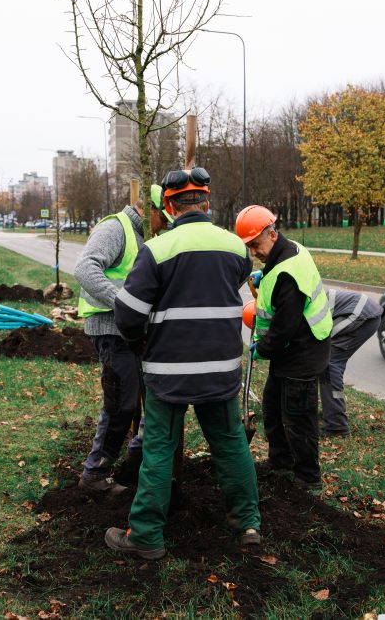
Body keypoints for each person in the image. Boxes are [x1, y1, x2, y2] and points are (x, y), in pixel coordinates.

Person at [104, 167, 261, 559]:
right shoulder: (235, 248)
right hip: (221, 369)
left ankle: (146, 536)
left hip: (168, 374)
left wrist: (141, 343)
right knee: (230, 444)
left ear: (170, 206)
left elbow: (128, 315)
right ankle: (247, 523)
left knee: (158, 447)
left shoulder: (156, 250)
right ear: (206, 202)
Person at [75, 191, 168, 494]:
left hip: (138, 332)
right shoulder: (116, 228)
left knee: (150, 397)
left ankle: (136, 458)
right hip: (112, 330)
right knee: (121, 404)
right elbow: (85, 268)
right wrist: (124, 305)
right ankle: (95, 473)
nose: (165, 225)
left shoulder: (147, 237)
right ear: (147, 210)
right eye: (162, 218)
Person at [235, 205, 331, 491]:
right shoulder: (287, 253)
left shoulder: (288, 272)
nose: (254, 252)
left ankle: (308, 478)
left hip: (303, 350)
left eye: (256, 245)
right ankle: (281, 461)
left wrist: (261, 348)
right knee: (273, 407)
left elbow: (284, 328)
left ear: (272, 235)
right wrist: (265, 276)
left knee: (298, 417)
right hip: (290, 351)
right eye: (249, 247)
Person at [319, 289, 382, 436]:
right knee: (329, 365)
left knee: (330, 366)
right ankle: (332, 412)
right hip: (364, 311)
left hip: (361, 314)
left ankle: (336, 426)